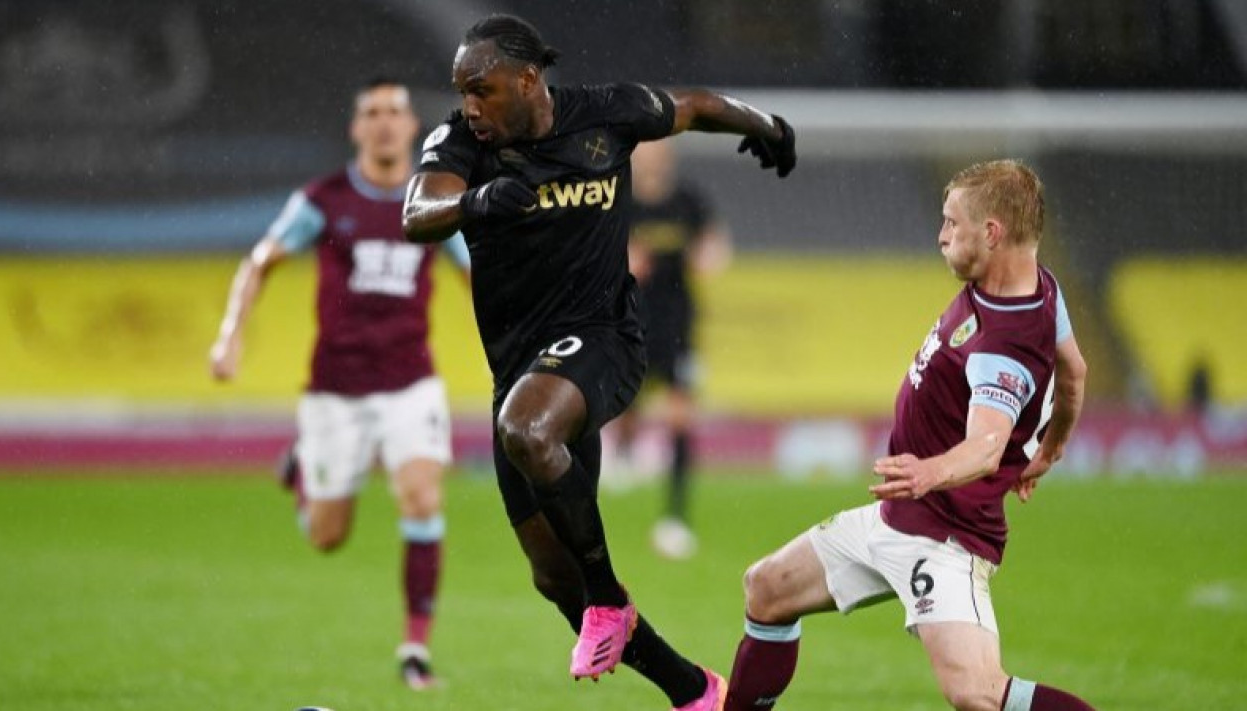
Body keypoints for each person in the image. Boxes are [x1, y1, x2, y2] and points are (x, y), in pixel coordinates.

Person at [401, 14, 795, 711]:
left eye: (481, 89)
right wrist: (477, 201)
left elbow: (694, 106)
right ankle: (694, 692)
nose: (470, 105)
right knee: (555, 578)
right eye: (462, 91)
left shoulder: (605, 114)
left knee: (527, 431)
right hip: (522, 371)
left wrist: (766, 126)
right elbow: (417, 212)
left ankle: (609, 598)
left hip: (604, 339)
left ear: (528, 79)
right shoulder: (462, 141)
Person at [723, 160, 1095, 711]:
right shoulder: (1041, 286)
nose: (941, 236)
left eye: (952, 223)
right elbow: (1075, 371)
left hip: (943, 537)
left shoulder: (1004, 343)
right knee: (768, 587)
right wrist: (1053, 446)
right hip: (896, 516)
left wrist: (930, 471)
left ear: (992, 232)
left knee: (976, 692)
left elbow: (987, 447)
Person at [209, 77, 470, 691]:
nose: (384, 122)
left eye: (394, 111)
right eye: (372, 113)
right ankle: (304, 468)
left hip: (410, 380)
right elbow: (260, 262)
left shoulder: (436, 202)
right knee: (327, 537)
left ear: (412, 126)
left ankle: (415, 650)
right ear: (357, 129)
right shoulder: (322, 200)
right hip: (336, 389)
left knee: (422, 498)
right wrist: (230, 335)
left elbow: (478, 275)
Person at [608, 139, 732, 560]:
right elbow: (597, 254)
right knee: (627, 403)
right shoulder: (620, 202)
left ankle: (675, 517)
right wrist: (622, 262)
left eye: (658, 149)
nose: (652, 156)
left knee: (681, 417)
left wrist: (708, 255)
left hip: (678, 325)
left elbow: (716, 246)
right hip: (630, 322)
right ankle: (623, 451)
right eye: (645, 149)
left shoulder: (688, 201)